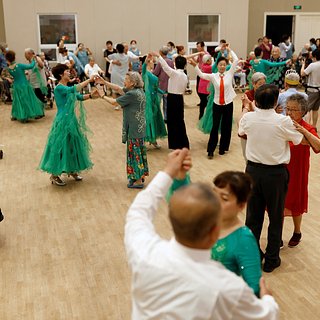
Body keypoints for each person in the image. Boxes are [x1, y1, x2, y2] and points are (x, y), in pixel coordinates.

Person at [125, 148, 279, 319]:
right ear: (214, 232)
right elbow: (264, 314)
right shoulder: (225, 287)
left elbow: (138, 211)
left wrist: (168, 171)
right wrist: (268, 301)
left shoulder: (145, 253)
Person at [238, 84, 303, 273]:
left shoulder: (248, 118)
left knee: (253, 217)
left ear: (256, 100)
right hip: (275, 174)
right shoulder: (282, 121)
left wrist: (245, 106)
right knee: (276, 216)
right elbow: (298, 139)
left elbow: (242, 130)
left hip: (252, 172)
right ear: (276, 102)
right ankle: (272, 259)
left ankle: (253, 256)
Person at [39, 64, 96, 186]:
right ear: (61, 74)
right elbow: (73, 90)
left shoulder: (66, 86)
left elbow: (78, 97)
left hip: (71, 120)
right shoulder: (59, 88)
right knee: (61, 146)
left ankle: (72, 169)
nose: (69, 73)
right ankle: (54, 175)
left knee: (72, 145)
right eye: (67, 71)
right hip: (63, 121)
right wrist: (89, 80)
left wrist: (91, 96)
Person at [212, 171, 262, 297]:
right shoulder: (206, 221)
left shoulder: (244, 239)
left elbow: (254, 288)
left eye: (224, 198)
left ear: (241, 206)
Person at [101, 72, 149, 188]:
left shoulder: (132, 94)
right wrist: (104, 82)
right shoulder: (139, 91)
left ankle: (137, 180)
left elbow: (114, 102)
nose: (124, 81)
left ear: (132, 83)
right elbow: (118, 88)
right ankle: (138, 176)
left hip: (134, 128)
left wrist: (102, 95)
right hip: (139, 127)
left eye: (126, 79)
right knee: (138, 152)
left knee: (134, 153)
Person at [284, 94, 320, 246]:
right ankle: (276, 234)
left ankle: (297, 231)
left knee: (296, 201)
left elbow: (318, 146)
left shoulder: (308, 128)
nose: (290, 113)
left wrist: (304, 132)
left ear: (303, 111)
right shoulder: (282, 124)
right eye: (288, 109)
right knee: (278, 202)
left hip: (298, 171)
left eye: (294, 110)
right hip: (280, 170)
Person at [190, 45, 238, 158]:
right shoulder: (213, 76)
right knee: (215, 127)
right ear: (217, 66)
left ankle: (223, 148)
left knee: (226, 126)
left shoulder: (229, 73)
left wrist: (229, 50)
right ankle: (210, 150)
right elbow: (201, 75)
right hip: (217, 104)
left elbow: (236, 60)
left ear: (226, 66)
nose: (222, 66)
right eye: (220, 65)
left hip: (228, 104)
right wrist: (195, 66)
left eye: (224, 65)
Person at [151, 51, 189, 149]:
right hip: (180, 98)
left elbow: (164, 66)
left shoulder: (174, 73)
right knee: (180, 121)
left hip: (172, 98)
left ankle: (174, 144)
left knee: (172, 122)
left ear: (175, 64)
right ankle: (184, 144)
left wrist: (158, 56)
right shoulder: (185, 76)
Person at [5, 50, 44, 122]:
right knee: (26, 100)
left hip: (16, 86)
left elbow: (16, 76)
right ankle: (25, 115)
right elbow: (31, 66)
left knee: (18, 101)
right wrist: (33, 59)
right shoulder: (19, 65)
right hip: (24, 85)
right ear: (14, 57)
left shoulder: (9, 68)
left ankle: (17, 115)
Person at [141, 54, 167, 148]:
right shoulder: (145, 73)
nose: (153, 63)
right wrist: (145, 61)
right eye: (152, 61)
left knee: (155, 118)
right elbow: (143, 68)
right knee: (148, 119)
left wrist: (164, 92)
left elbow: (155, 88)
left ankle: (153, 140)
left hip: (154, 99)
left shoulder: (152, 73)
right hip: (148, 100)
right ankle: (144, 141)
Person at [239, 72, 266, 160]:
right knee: (247, 157)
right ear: (253, 84)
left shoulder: (267, 94)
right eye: (260, 84)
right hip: (248, 131)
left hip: (261, 131)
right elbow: (247, 112)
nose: (262, 86)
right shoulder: (248, 95)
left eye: (264, 84)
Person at [152, 46, 174, 122]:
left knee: (157, 102)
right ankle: (166, 117)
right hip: (169, 85)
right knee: (167, 103)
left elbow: (155, 73)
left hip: (161, 85)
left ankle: (156, 118)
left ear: (160, 52)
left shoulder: (160, 62)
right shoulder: (171, 61)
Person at [301, 49, 320, 127]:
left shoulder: (313, 65)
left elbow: (302, 73)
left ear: (315, 56)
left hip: (312, 90)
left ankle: (308, 127)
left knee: (307, 109)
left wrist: (303, 64)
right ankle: (314, 126)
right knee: (315, 109)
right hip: (319, 90)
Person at [197, 54, 212, 119]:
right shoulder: (209, 67)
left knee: (202, 103)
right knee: (208, 103)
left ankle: (201, 116)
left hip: (201, 86)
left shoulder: (202, 65)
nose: (211, 60)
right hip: (206, 87)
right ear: (208, 61)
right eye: (210, 59)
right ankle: (206, 117)